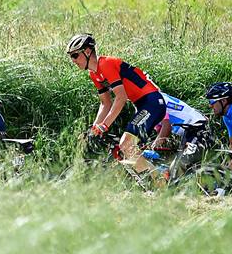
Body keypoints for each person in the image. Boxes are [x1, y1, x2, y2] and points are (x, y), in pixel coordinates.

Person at [66, 33, 166, 175]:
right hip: (142, 105)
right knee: (127, 148)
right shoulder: (94, 74)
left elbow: (121, 97)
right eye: (71, 57)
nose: (73, 60)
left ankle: (159, 181)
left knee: (126, 144)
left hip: (152, 102)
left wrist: (105, 125)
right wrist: (94, 128)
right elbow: (105, 103)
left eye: (75, 55)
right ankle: (158, 174)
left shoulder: (105, 64)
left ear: (87, 52)